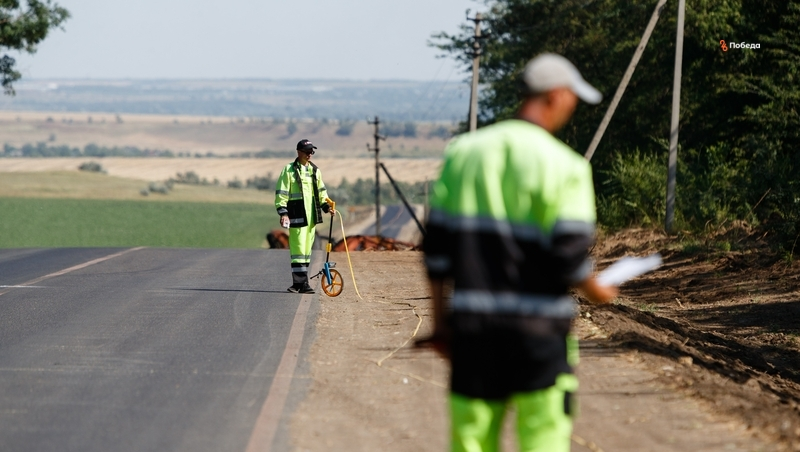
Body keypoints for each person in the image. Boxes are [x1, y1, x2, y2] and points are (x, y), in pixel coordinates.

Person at [420, 53, 618, 452]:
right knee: (543, 439)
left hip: (475, 329)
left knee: (472, 441)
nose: (572, 106)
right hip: (540, 334)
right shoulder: (567, 167)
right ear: (556, 96)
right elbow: (569, 258)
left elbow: (438, 253)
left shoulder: (463, 153)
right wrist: (598, 290)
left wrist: (441, 326)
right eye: (572, 98)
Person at [275, 139, 334, 294]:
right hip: (296, 216)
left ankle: (301, 284)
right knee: (298, 250)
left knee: (307, 251)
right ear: (299, 152)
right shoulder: (288, 170)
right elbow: (281, 193)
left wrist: (327, 207)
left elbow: (321, 193)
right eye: (307, 152)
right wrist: (283, 213)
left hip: (311, 218)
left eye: (311, 152)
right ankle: (301, 283)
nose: (309, 155)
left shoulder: (315, 171)